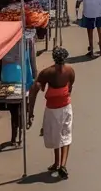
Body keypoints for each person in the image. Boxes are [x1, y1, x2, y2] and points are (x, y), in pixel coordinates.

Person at [27, 46, 75, 180]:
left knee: (55, 135)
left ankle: (57, 162)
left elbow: (35, 90)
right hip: (65, 107)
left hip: (52, 109)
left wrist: (30, 112)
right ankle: (62, 165)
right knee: (65, 135)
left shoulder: (47, 73)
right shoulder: (70, 71)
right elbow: (70, 88)